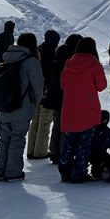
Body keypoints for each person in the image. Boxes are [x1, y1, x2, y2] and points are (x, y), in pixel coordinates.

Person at [0, 31, 43, 182]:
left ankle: (0, 170)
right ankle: (13, 172)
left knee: (4, 139)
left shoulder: (6, 58)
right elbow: (38, 87)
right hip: (22, 107)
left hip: (4, 106)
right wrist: (35, 103)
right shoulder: (31, 62)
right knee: (17, 139)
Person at [59, 37, 107, 183]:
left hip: (70, 107)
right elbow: (102, 85)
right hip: (88, 108)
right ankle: (79, 172)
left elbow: (63, 84)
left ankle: (65, 170)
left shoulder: (69, 63)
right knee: (84, 143)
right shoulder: (94, 64)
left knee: (69, 141)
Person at [46, 33, 81, 164]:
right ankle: (62, 152)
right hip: (68, 95)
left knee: (57, 124)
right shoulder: (73, 57)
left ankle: (54, 151)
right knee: (67, 126)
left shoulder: (58, 54)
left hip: (55, 94)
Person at [26, 29, 59, 160]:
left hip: (35, 91)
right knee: (45, 122)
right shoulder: (53, 53)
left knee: (35, 121)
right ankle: (40, 151)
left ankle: (31, 150)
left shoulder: (37, 51)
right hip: (47, 92)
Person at [89, 109, 110, 179]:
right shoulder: (106, 131)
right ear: (106, 120)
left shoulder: (90, 128)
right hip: (99, 155)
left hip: (86, 153)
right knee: (106, 157)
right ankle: (98, 171)